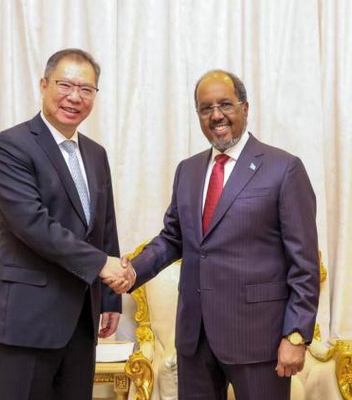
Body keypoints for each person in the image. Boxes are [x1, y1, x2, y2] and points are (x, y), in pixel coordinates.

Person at [117, 70, 320, 400]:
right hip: (195, 339)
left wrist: (296, 334)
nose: (216, 115)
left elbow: (304, 262)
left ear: (245, 107)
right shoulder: (188, 170)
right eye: (205, 108)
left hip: (259, 339)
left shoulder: (283, 168)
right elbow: (173, 238)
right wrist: (131, 271)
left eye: (225, 104)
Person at [0, 48, 135, 400]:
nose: (74, 97)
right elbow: (32, 224)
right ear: (43, 85)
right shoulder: (10, 146)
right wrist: (101, 265)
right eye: (65, 85)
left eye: (86, 89)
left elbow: (105, 227)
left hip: (82, 321)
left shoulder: (95, 154)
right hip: (26, 321)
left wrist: (110, 299)